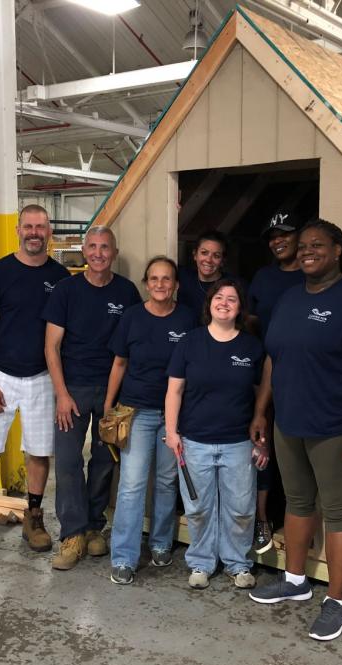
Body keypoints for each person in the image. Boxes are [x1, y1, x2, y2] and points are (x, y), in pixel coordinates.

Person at [249, 219, 342, 643]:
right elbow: (273, 359)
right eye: (304, 245)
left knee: (339, 511)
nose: (309, 251)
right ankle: (295, 581)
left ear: (337, 250)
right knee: (297, 502)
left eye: (317, 245)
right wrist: (261, 411)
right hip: (288, 422)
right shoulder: (291, 299)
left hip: (334, 426)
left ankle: (338, 601)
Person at [0, 204, 69, 564]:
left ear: (49, 231)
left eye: (40, 227)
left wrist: (61, 388)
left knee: (39, 452)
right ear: (17, 230)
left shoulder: (61, 277)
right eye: (28, 226)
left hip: (42, 378)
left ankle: (34, 518)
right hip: (2, 377)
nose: (34, 233)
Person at [44, 226, 142, 571]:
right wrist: (61, 394)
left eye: (105, 247)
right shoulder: (65, 291)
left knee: (104, 461)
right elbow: (51, 346)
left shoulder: (127, 292)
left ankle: (94, 526)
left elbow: (131, 346)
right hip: (73, 390)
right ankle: (72, 535)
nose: (99, 253)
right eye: (93, 247)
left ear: (114, 252)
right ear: (84, 252)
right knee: (69, 461)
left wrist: (120, 396)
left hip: (112, 392)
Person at [164, 278, 268, 590]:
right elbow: (174, 390)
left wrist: (262, 440)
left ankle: (238, 564)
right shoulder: (190, 342)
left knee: (240, 508)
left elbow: (262, 393)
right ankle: (201, 562)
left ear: (240, 308)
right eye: (218, 297)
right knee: (197, 508)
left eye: (232, 299)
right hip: (194, 441)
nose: (224, 302)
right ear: (209, 304)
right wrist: (172, 432)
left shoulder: (251, 347)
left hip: (238, 443)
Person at [104, 256, 197, 585]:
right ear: (146, 283)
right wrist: (108, 406)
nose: (160, 284)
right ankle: (124, 558)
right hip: (137, 412)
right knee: (131, 486)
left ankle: (160, 543)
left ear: (176, 286)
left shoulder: (187, 319)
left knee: (166, 482)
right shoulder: (132, 318)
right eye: (154, 279)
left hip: (174, 415)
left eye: (167, 279)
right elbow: (118, 364)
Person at [247, 211, 304, 554]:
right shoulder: (264, 278)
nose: (278, 240)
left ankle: (301, 521)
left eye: (285, 233)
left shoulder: (312, 277)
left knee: (298, 454)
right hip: (266, 374)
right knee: (262, 447)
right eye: (272, 236)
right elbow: (252, 321)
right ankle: (261, 519)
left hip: (303, 378)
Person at [177, 230, 238, 321]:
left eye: (216, 256)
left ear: (222, 261)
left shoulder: (233, 285)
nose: (209, 260)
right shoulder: (182, 276)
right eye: (204, 253)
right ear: (195, 255)